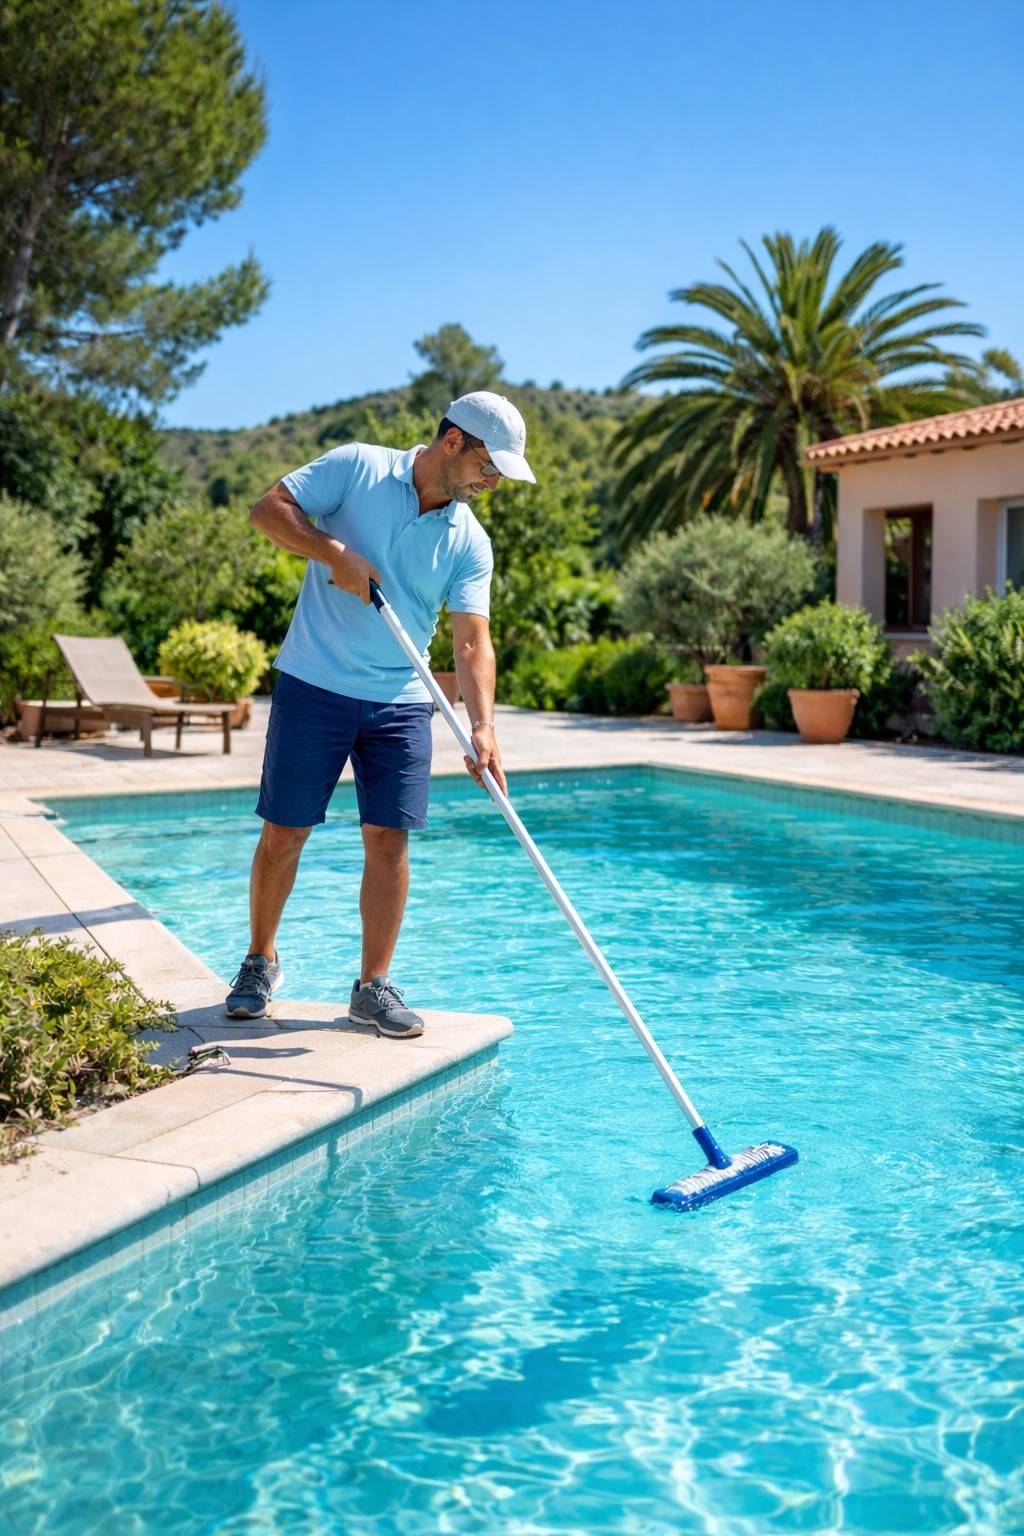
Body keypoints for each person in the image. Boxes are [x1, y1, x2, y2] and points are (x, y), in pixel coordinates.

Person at [224, 391, 535, 1038]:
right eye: (490, 464)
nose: (494, 480)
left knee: (389, 841)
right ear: (453, 441)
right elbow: (268, 511)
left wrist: (484, 726)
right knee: (285, 830)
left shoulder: (469, 541)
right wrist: (334, 553)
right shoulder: (356, 467)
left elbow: (473, 641)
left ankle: (372, 987)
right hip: (314, 681)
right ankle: (260, 961)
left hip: (401, 699)